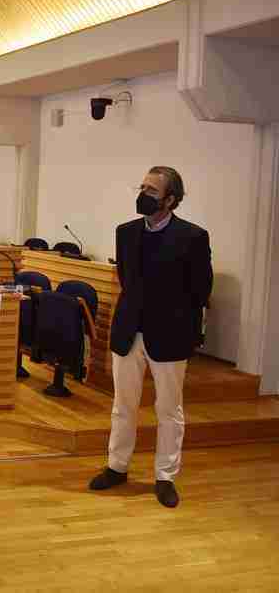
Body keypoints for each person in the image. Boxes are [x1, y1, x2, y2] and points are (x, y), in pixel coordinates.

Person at [89, 166, 212, 508]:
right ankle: (117, 466)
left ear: (171, 200)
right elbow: (126, 280)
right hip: (129, 330)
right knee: (122, 406)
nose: (142, 194)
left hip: (170, 335)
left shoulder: (193, 237)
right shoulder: (125, 232)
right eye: (141, 186)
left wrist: (183, 327)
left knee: (168, 410)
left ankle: (165, 476)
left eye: (152, 190)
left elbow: (201, 290)